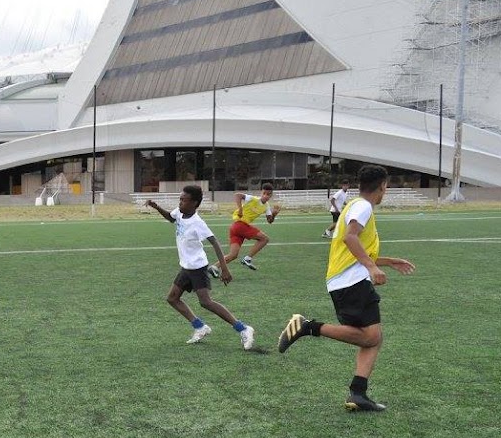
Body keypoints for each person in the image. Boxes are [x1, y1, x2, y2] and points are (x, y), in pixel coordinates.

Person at [277, 165, 415, 412]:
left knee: (372, 338)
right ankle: (307, 326)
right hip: (350, 282)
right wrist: (372, 269)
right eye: (386, 187)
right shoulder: (362, 206)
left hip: (346, 280)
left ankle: (358, 393)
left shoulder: (354, 205)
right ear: (382, 186)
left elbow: (355, 249)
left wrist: (388, 261)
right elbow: (350, 238)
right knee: (371, 337)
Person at [146, 187, 255, 350]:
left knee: (206, 302)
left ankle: (244, 328)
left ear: (194, 203)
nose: (180, 202)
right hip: (186, 266)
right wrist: (157, 207)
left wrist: (224, 268)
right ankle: (199, 327)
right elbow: (171, 217)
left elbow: (215, 243)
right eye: (180, 199)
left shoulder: (198, 223)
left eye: (184, 200)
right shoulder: (180, 212)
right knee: (172, 299)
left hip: (197, 267)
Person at [209, 183, 280, 276]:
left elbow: (269, 221)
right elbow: (237, 195)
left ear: (271, 195)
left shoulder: (266, 206)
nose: (266, 196)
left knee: (233, 255)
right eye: (264, 193)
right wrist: (240, 209)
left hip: (236, 229)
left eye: (269, 194)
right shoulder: (254, 199)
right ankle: (247, 259)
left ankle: (214, 267)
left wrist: (274, 214)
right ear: (261, 192)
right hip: (239, 225)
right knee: (265, 239)